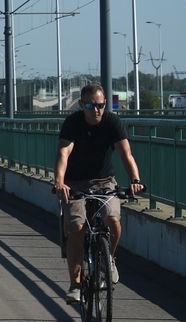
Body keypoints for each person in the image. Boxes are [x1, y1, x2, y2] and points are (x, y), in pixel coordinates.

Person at [54, 82, 144, 304]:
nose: (97, 110)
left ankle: (109, 259)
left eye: (101, 105)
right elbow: (64, 153)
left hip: (105, 182)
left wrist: (135, 180)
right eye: (91, 106)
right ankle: (75, 284)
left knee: (112, 219)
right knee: (76, 227)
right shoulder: (73, 123)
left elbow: (126, 154)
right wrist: (60, 182)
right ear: (81, 105)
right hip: (75, 183)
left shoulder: (112, 122)